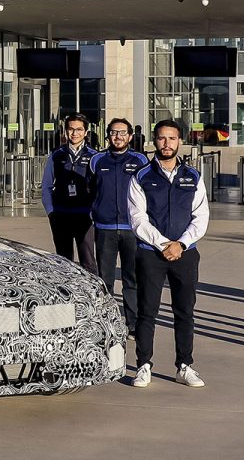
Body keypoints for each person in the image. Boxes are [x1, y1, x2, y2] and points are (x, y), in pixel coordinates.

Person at [125, 120, 207, 389]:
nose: (167, 144)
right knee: (147, 312)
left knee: (184, 312)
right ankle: (144, 365)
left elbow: (201, 217)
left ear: (179, 141)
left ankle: (185, 366)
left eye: (172, 139)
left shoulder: (193, 176)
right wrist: (163, 244)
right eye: (162, 138)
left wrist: (181, 245)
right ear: (154, 141)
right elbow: (138, 219)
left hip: (185, 254)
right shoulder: (141, 176)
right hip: (151, 254)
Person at [90, 118, 150, 333]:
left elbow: (147, 192)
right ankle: (106, 322)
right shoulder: (97, 160)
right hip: (104, 228)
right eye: (114, 133)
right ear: (108, 135)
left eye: (123, 133)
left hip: (131, 229)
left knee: (131, 278)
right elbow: (91, 190)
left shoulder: (140, 160)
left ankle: (133, 323)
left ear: (130, 137)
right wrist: (94, 212)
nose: (118, 137)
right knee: (104, 279)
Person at [43, 115, 97, 271]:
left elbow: (98, 187)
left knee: (88, 261)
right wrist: (51, 211)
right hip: (61, 215)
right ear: (66, 131)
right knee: (63, 261)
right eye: (71, 129)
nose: (75, 133)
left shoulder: (94, 156)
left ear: (86, 132)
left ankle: (90, 293)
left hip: (85, 216)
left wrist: (94, 211)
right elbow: (46, 185)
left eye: (79, 129)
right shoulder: (56, 155)